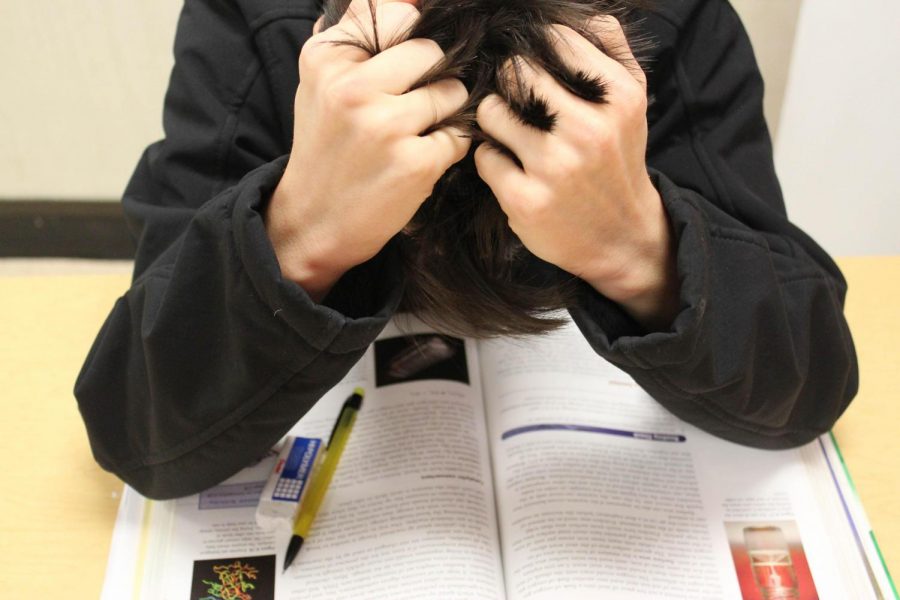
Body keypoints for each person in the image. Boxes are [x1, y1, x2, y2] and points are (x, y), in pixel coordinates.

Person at [75, 0, 858, 500]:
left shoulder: (667, 24)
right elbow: (138, 424)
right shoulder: (262, 24)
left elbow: (807, 381)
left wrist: (637, 248)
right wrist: (305, 229)